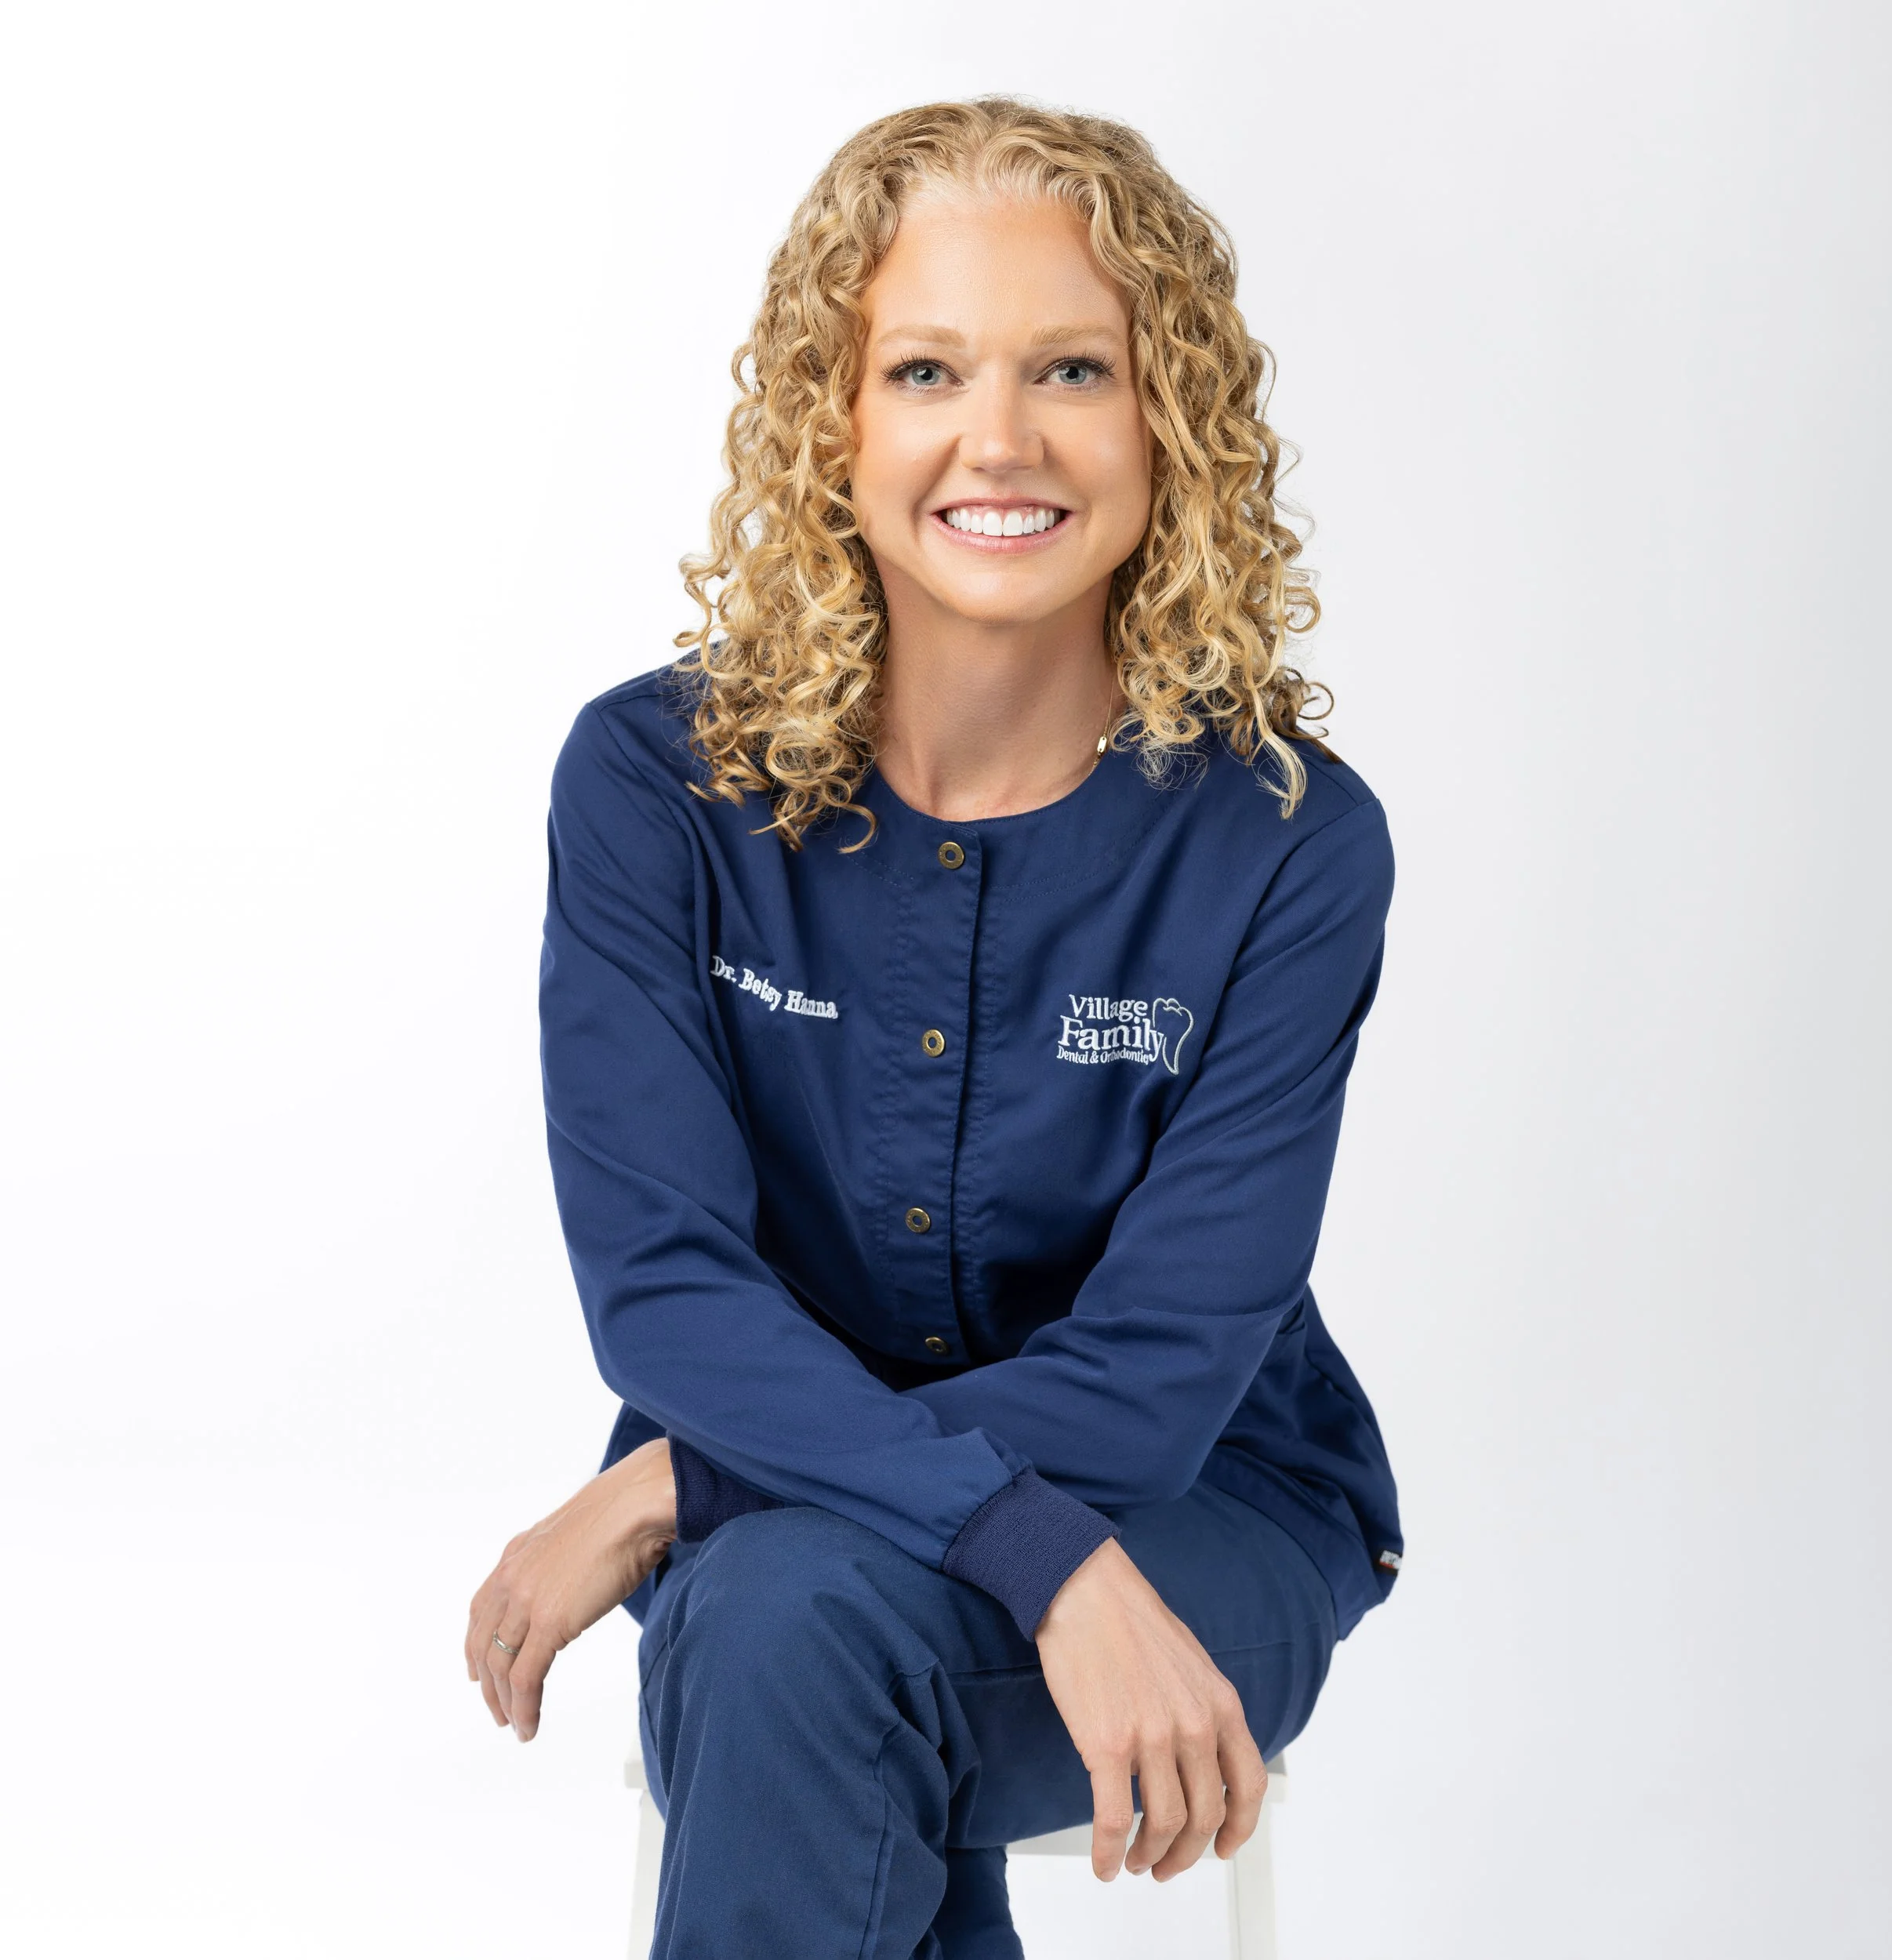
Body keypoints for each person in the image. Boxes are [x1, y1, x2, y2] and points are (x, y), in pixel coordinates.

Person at [465, 96, 1402, 1960]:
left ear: (1169, 426)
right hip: (805, 1538)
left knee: (782, 1639)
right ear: (834, 421)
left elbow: (1148, 1378)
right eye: (922, 369)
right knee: (797, 1631)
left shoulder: (1288, 838)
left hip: (1193, 1510)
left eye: (1071, 366)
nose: (999, 437)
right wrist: (1024, 1553)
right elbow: (666, 1293)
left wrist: (675, 1479)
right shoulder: (650, 786)